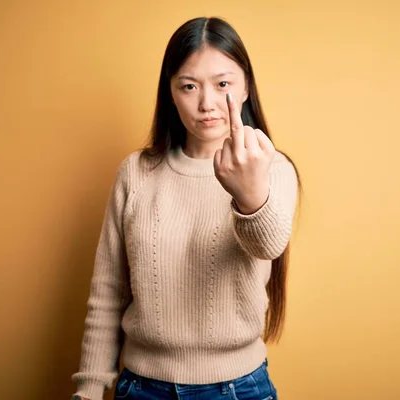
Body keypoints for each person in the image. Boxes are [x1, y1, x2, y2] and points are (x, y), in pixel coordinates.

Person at [71, 16, 301, 400]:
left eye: (223, 84)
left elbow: (269, 245)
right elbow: (108, 289)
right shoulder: (136, 172)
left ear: (245, 87)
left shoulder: (271, 166)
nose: (207, 104)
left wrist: (248, 192)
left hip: (238, 388)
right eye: (189, 86)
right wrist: (90, 389)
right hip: (141, 387)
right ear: (170, 92)